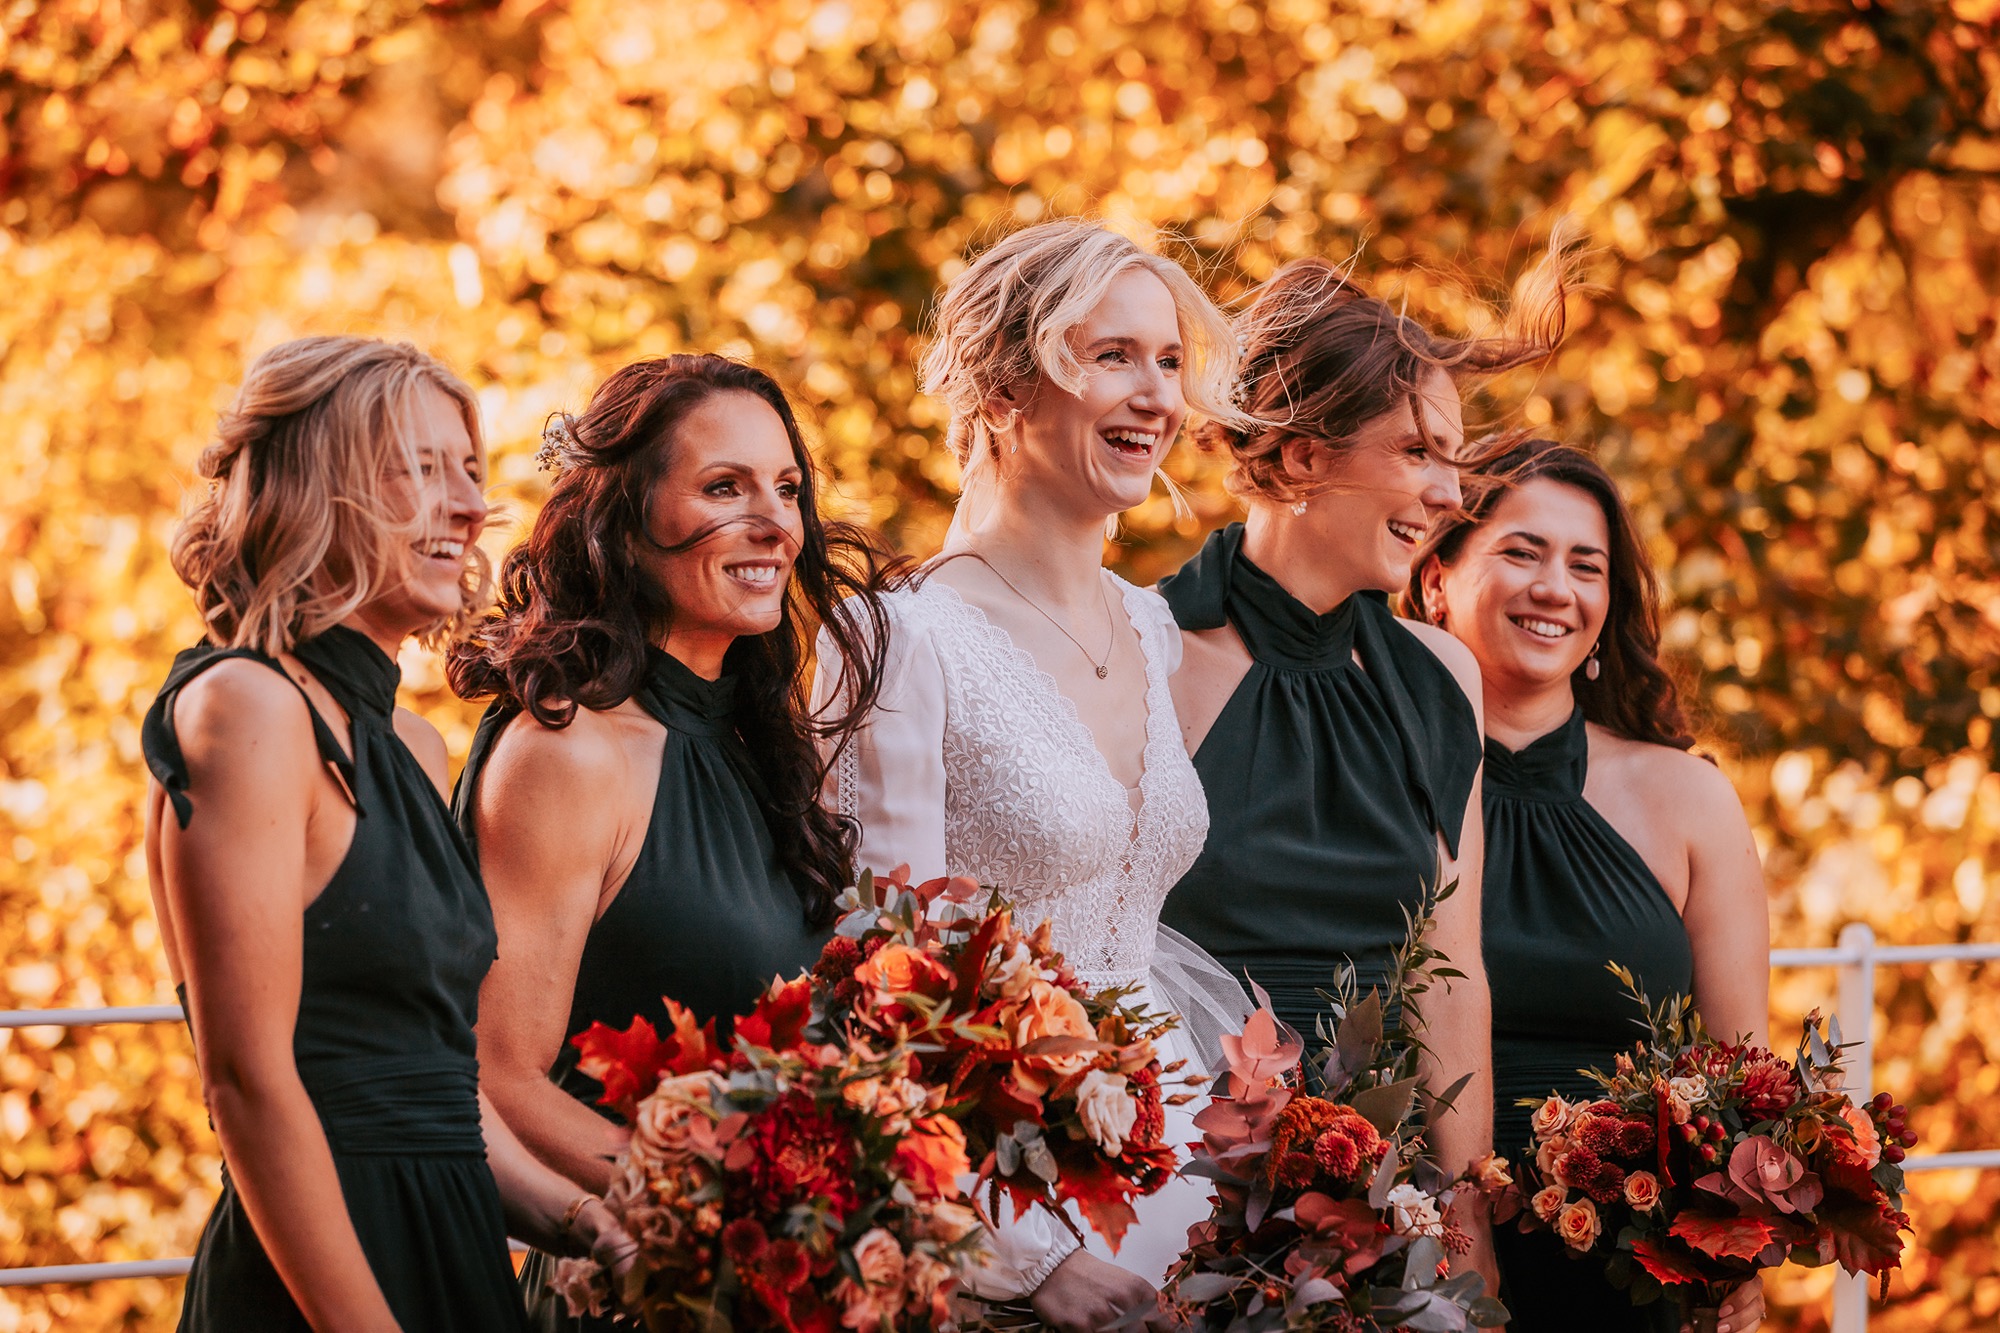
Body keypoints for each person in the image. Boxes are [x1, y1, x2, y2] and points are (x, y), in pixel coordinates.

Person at [140, 336, 634, 1333]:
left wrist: (596, 1222)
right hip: (319, 1283)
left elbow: (435, 1085)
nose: (467, 506)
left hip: (450, 1252)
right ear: (315, 487)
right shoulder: (246, 708)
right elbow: (247, 1083)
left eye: (469, 472)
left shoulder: (412, 746)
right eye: (419, 470)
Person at [812, 218, 1247, 1332]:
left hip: (1174, 1144)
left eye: (1166, 362)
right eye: (1110, 357)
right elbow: (874, 975)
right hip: (1001, 1174)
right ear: (1003, 388)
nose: (1156, 396)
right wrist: (1021, 1257)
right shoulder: (896, 639)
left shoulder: (1150, 628)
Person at [447, 353, 896, 1330]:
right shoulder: (563, 755)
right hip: (642, 1287)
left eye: (786, 489)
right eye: (722, 487)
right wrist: (743, 1214)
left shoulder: (756, 745)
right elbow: (497, 1076)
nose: (775, 524)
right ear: (625, 519)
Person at [1158, 248, 1573, 1292]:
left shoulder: (1438, 676)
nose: (1449, 492)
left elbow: (1451, 965)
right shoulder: (1151, 653)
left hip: (1384, 1201)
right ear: (1300, 459)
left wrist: (1462, 1200)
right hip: (1190, 1185)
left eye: (1454, 456)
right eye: (1417, 454)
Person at [1409, 438, 1768, 1333]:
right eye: (1520, 552)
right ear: (1435, 579)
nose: (1554, 588)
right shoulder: (1380, 782)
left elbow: (1742, 1077)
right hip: (1412, 1249)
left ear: (1608, 607)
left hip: (1633, 1275)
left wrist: (1739, 1246)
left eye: (1586, 565)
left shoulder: (1688, 797)